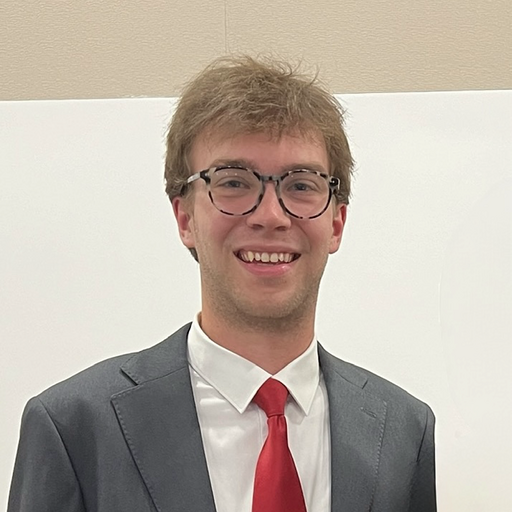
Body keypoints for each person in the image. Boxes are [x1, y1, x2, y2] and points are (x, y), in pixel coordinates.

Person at [8, 56, 436, 511]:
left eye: (301, 185)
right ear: (185, 218)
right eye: (233, 182)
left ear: (336, 223)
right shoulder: (74, 430)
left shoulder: (404, 433)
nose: (271, 215)